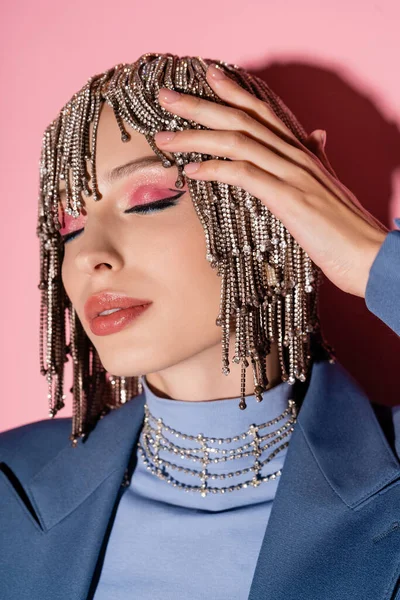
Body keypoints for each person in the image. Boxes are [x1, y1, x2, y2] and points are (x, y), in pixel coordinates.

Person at [0, 52, 399, 600]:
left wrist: (374, 258)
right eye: (68, 227)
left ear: (272, 229)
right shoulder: (9, 485)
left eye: (146, 201)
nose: (91, 254)